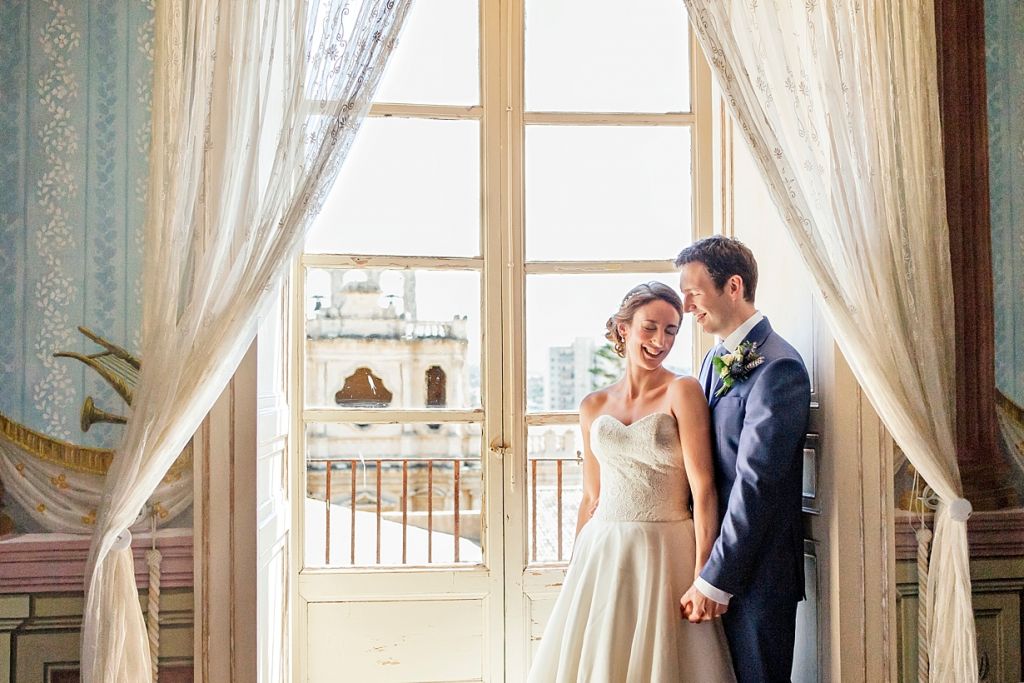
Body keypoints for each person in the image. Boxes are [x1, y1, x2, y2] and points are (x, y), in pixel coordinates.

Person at [528, 282, 735, 683]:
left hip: (667, 549)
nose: (660, 341)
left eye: (671, 330)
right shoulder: (593, 405)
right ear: (624, 328)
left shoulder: (682, 390)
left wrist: (704, 574)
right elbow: (591, 495)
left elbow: (704, 489)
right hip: (603, 550)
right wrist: (576, 568)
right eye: (650, 328)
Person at [676, 236, 811, 683]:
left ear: (733, 287)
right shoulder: (712, 359)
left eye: (694, 292)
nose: (687, 306)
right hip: (711, 564)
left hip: (755, 577)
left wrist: (716, 578)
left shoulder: (779, 367)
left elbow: (757, 484)